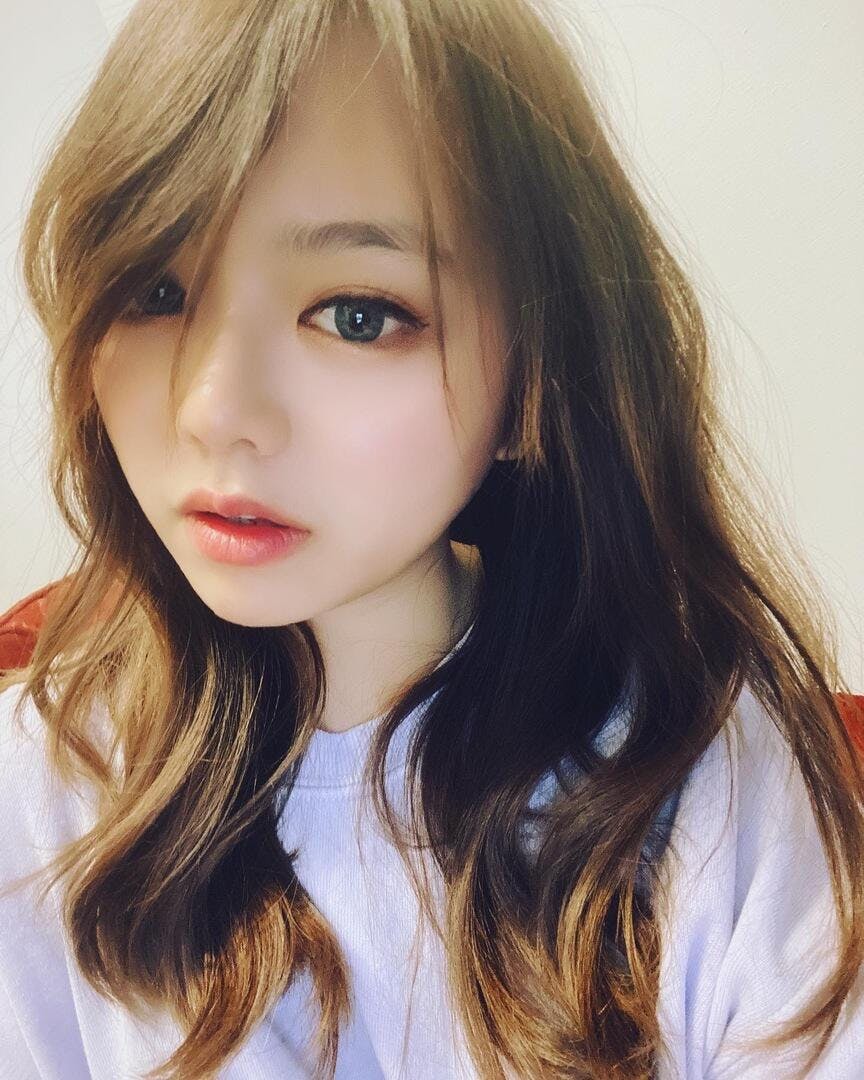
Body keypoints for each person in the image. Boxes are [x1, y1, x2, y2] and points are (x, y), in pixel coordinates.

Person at [0, 1, 862, 1077]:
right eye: (154, 291)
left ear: (537, 361)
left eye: (357, 314)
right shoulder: (41, 785)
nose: (212, 410)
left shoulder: (692, 759)